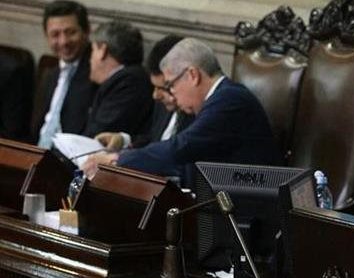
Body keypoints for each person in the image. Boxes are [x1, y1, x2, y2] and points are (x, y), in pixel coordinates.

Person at [82, 38, 279, 186]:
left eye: (171, 85)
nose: (172, 95)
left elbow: (181, 147)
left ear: (192, 75)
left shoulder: (229, 100)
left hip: (246, 217)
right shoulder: (219, 99)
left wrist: (116, 159)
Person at [95, 34, 193, 151]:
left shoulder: (200, 115)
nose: (155, 95)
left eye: (165, 88)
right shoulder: (163, 106)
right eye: (154, 87)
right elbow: (154, 139)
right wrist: (124, 140)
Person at [32, 0, 97, 147]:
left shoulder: (96, 76)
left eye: (71, 32)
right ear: (46, 37)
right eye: (55, 34)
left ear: (86, 31)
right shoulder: (50, 75)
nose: (63, 41)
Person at [82, 20, 152, 138]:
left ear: (102, 51)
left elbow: (100, 135)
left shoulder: (129, 83)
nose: (90, 59)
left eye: (92, 50)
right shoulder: (124, 79)